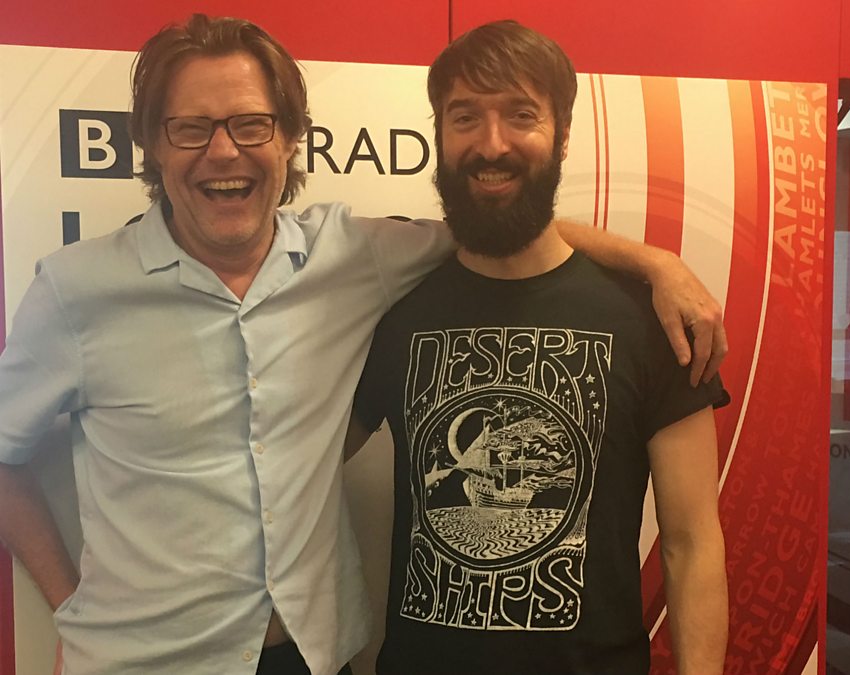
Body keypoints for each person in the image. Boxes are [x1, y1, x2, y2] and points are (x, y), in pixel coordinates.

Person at [0, 14, 725, 675]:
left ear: (289, 138)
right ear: (154, 144)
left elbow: (502, 215)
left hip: (310, 660)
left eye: (252, 124)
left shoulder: (352, 257)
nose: (224, 151)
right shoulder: (75, 290)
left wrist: (654, 263)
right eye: (190, 127)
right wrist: (69, 604)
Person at [347, 20, 729, 675]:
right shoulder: (394, 312)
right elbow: (301, 468)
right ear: (440, 133)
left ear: (562, 133)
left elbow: (692, 544)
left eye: (521, 114)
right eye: (465, 116)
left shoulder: (653, 322)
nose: (492, 143)